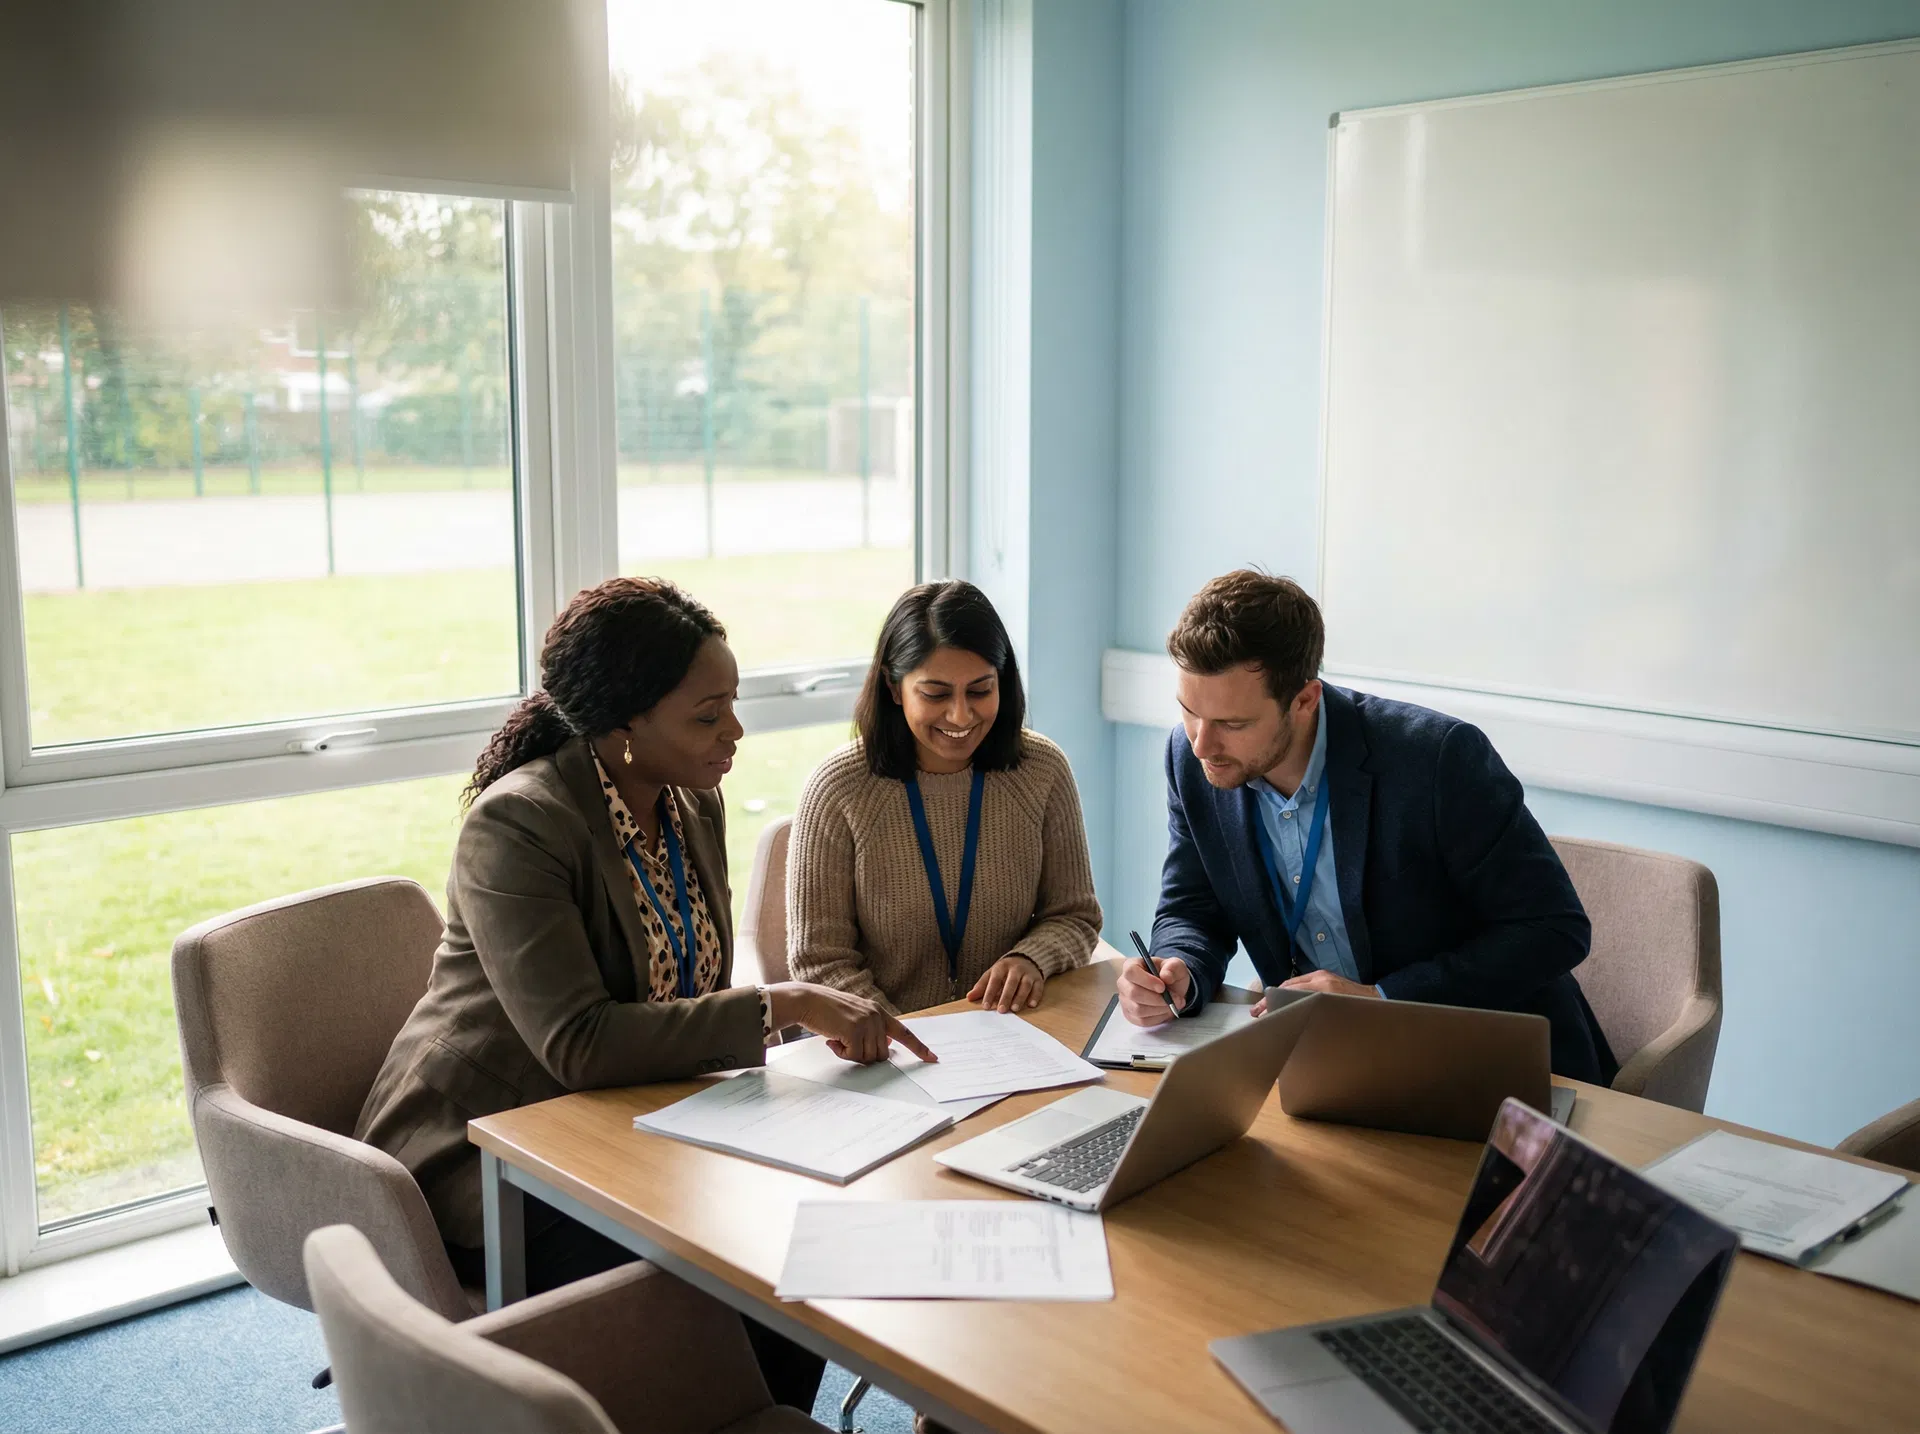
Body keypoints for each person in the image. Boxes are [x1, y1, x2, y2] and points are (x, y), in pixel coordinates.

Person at [355, 576, 935, 1414]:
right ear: (624, 722)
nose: (735, 730)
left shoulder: (694, 801)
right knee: (727, 1288)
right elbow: (579, 1044)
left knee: (802, 1249)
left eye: (732, 703)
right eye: (707, 714)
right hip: (496, 1148)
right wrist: (785, 1005)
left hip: (638, 1122)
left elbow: (682, 991)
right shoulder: (519, 826)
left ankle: (759, 1422)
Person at [1115, 570, 1616, 1084]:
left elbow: (1554, 929)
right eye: (1189, 712)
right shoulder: (1192, 760)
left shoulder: (1438, 760)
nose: (1202, 744)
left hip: (1482, 1062)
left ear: (1305, 699)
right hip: (1326, 1064)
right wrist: (1178, 968)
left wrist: (1379, 999)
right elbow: (1192, 907)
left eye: (1233, 724)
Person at [788, 580, 1102, 1016]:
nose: (960, 715)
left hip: (1010, 1034)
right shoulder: (839, 788)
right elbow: (818, 960)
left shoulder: (1042, 770)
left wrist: (1032, 958)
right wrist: (902, 1034)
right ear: (894, 688)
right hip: (881, 1047)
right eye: (935, 694)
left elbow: (1075, 916)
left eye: (980, 690)